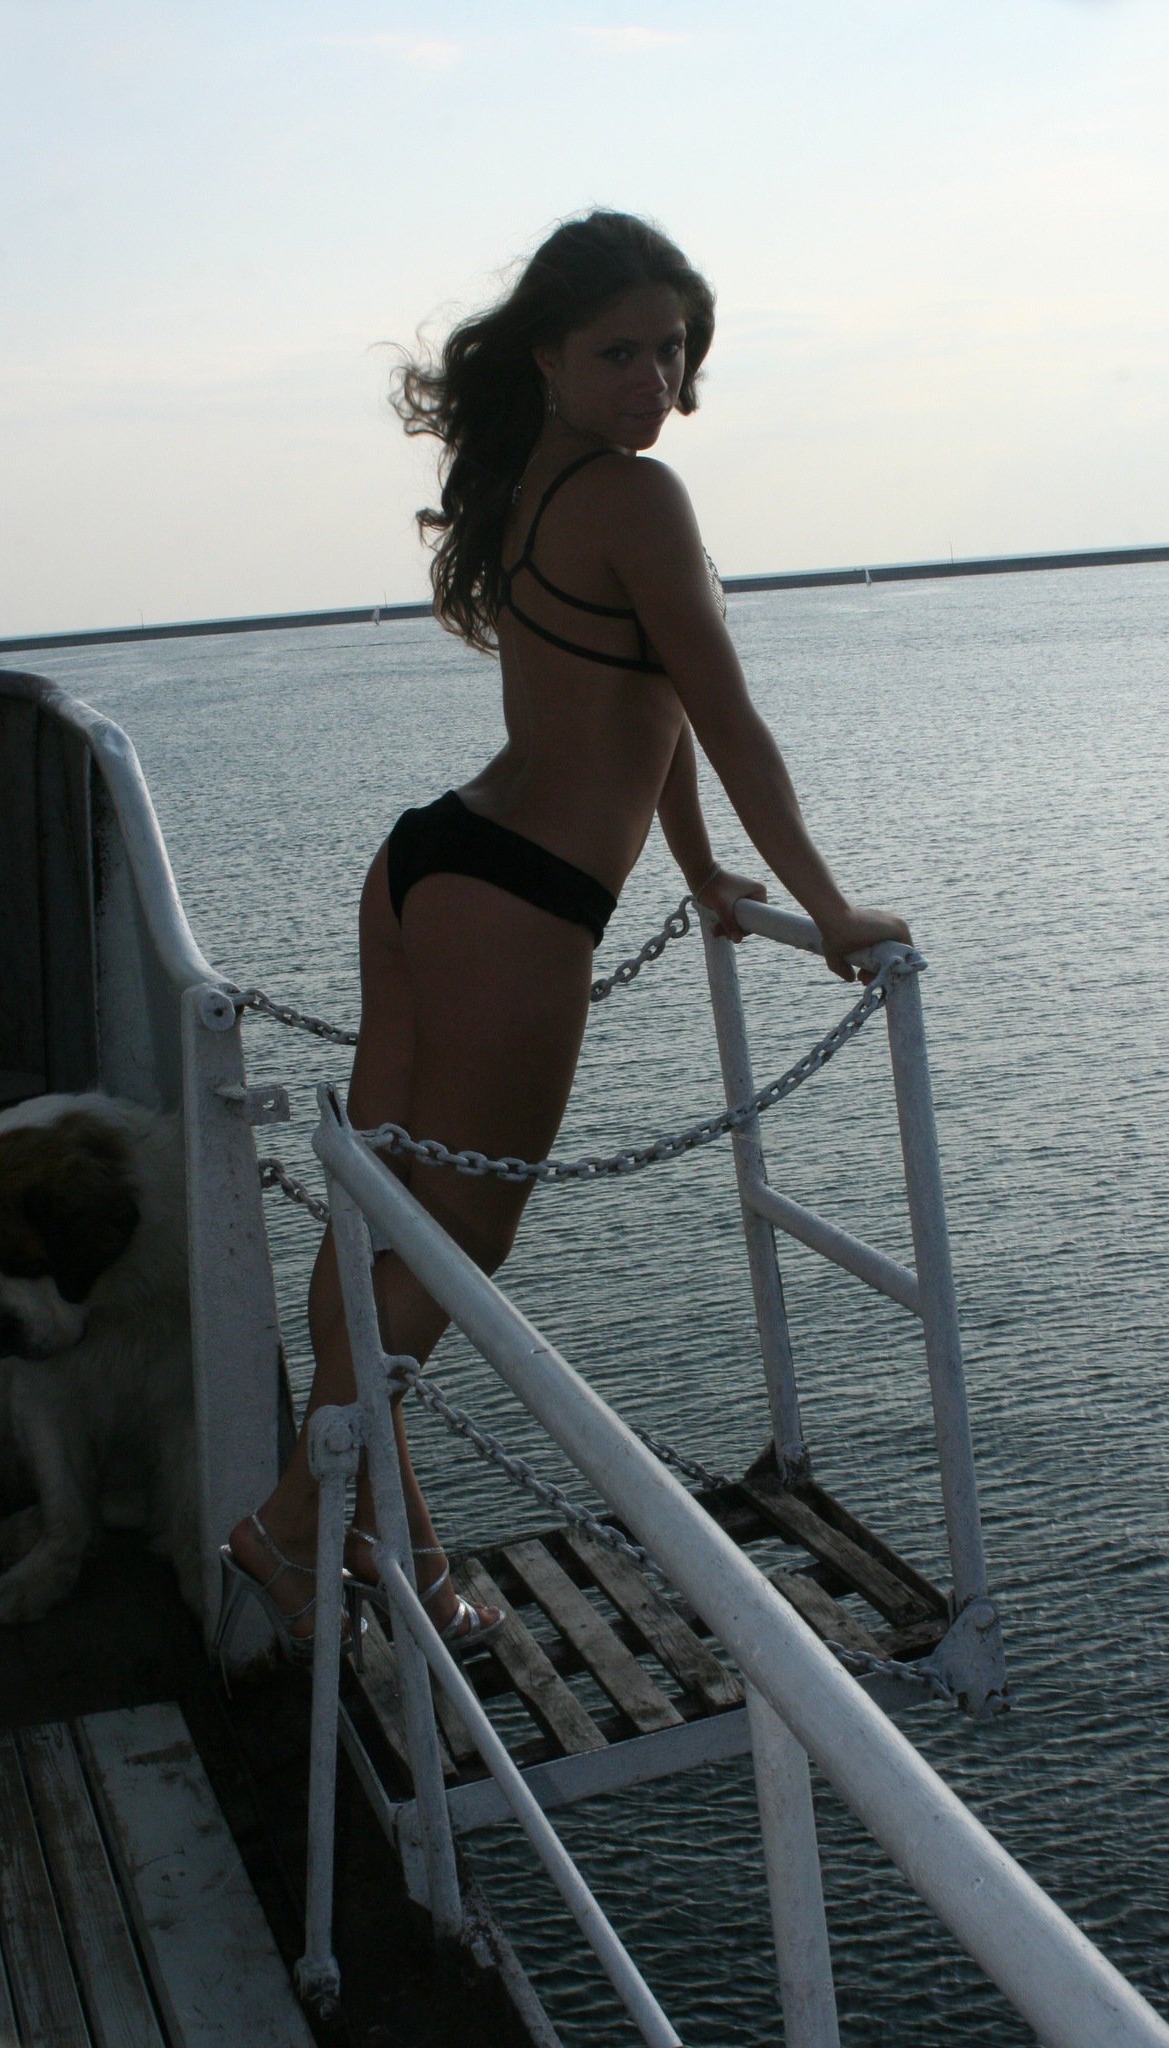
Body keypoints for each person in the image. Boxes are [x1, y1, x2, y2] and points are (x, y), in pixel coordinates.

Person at [221, 210, 911, 1657]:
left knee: (380, 1219)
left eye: (672, 350)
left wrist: (704, 869)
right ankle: (289, 1523)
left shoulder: (534, 483)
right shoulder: (637, 498)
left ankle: (396, 1541)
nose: (653, 379)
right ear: (546, 355)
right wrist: (829, 906)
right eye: (618, 352)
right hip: (517, 903)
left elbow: (643, 705)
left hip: (429, 864)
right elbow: (724, 713)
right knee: (457, 1238)